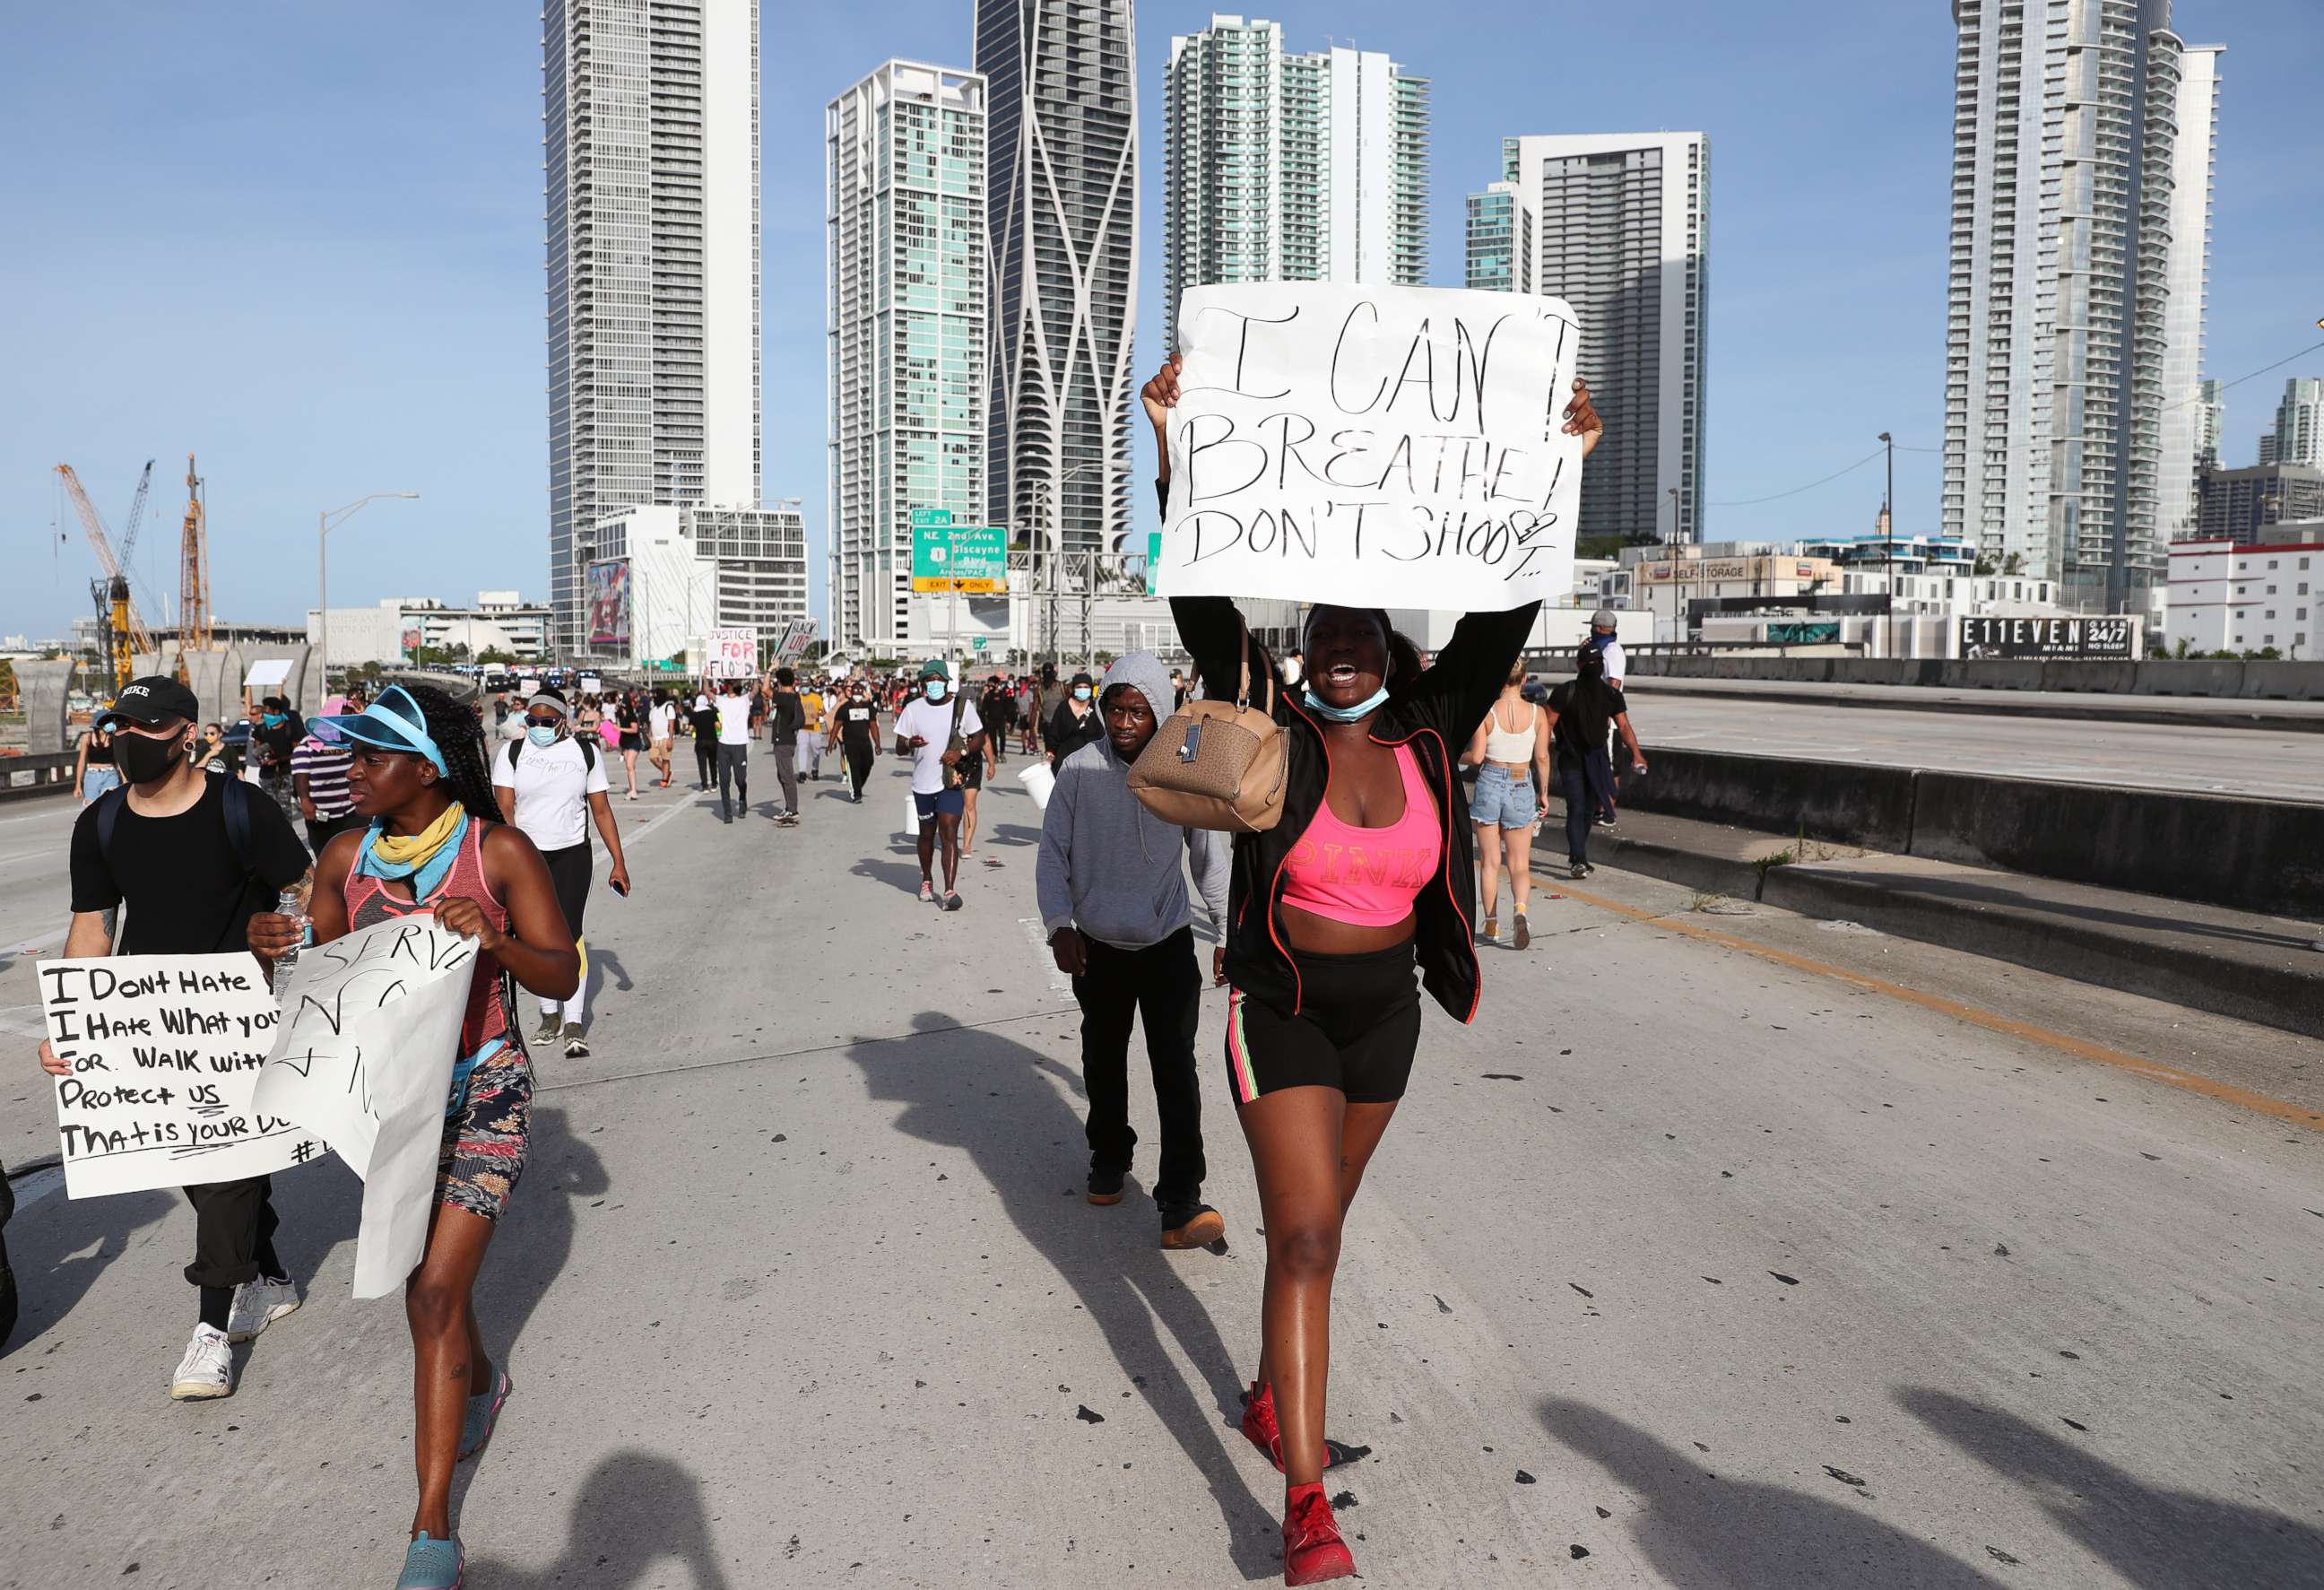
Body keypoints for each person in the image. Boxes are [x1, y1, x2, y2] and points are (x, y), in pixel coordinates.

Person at [1143, 351, 1600, 1584]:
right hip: (1281, 1009)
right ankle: (1304, 1509)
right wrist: (1178, 449)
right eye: (1325, 636)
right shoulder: (1268, 721)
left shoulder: (1428, 728)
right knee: (1301, 1239)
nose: (1341, 651)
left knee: (1321, 1230)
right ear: (1307, 650)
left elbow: (1506, 609)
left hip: (1385, 1018)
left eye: (1361, 636)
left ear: (1392, 650)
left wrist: (1558, 466)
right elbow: (1202, 601)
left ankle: (1263, 1393)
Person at [247, 684, 579, 1590]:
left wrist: (498, 942)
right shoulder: (345, 858)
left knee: (431, 1291)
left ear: (424, 768)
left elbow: (561, 972)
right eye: (348, 756)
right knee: (434, 1277)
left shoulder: (495, 851)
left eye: (369, 757)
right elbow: (318, 979)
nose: (349, 772)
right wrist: (269, 944)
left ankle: (431, 1526)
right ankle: (477, 1384)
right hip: (393, 1106)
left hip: (486, 1094)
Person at [37, 676, 314, 1402]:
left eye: (146, 727)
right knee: (200, 1169)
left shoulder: (239, 807)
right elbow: (93, 926)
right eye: (119, 725)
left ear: (187, 734)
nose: (128, 740)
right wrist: (68, 1024)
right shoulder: (99, 825)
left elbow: (304, 882)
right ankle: (272, 1277)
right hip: (149, 1026)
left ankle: (211, 1329)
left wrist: (285, 939)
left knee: (225, 1169)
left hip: (237, 1018)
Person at [1036, 652, 1231, 1250]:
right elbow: (1052, 854)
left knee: (1176, 1068)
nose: (1124, 721)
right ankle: (1109, 1155)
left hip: (1167, 943)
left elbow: (1208, 855)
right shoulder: (1078, 769)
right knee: (1103, 1057)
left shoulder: (1180, 770)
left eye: (1139, 711)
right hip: (1097, 946)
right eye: (1117, 708)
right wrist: (1059, 924)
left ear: (1160, 714)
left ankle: (1180, 1199)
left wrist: (1225, 931)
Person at [492, 689, 631, 1056]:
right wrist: (512, 856)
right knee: (534, 936)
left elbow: (600, 810)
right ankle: (548, 1014)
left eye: (546, 722)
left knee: (570, 935)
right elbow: (504, 809)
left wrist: (619, 861)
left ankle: (573, 1020)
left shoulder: (585, 753)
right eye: (531, 722)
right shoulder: (512, 753)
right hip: (527, 858)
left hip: (572, 854)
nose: (537, 728)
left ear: (563, 721)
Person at [1464, 665, 1552, 950]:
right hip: (1521, 782)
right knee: (1519, 864)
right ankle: (1520, 911)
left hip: (1490, 780)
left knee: (1490, 862)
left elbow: (1477, 756)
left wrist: (1456, 755)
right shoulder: (1538, 714)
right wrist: (1544, 793)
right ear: (1524, 680)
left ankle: (1491, 924)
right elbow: (1541, 757)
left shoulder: (1486, 712)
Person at [1546, 645, 1647, 880]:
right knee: (1578, 807)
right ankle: (1579, 859)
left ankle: (1577, 855)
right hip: (1575, 760)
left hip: (1593, 761)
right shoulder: (1572, 692)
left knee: (1588, 810)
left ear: (1580, 665)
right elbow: (1547, 722)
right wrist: (1539, 752)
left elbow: (1623, 726)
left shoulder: (1605, 694)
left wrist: (1637, 753)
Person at [894, 660, 984, 909]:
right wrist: (910, 743)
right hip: (922, 783)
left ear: (946, 682)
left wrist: (961, 752)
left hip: (950, 781)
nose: (933, 684)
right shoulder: (913, 709)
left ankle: (949, 891)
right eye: (929, 680)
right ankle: (926, 879)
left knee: (948, 832)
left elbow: (979, 737)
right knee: (926, 834)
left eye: (937, 679)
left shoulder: (961, 707)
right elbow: (900, 747)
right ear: (923, 683)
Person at [292, 695, 364, 856]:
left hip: (352, 812)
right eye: (343, 718)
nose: (346, 724)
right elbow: (301, 776)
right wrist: (305, 801)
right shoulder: (307, 747)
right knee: (326, 856)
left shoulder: (352, 744)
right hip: (322, 815)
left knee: (354, 856)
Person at [767, 667, 804, 827]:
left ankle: (793, 810)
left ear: (780, 682)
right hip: (788, 740)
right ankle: (789, 807)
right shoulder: (794, 696)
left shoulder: (783, 698)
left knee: (787, 776)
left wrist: (769, 672)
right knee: (783, 775)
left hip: (783, 742)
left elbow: (764, 690)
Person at [713, 679, 754, 823]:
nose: (731, 685)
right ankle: (727, 813)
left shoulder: (744, 700)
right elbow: (707, 692)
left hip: (740, 744)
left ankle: (742, 797)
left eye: (733, 683)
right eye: (730, 683)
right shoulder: (721, 700)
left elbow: (755, 691)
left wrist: (755, 675)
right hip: (724, 744)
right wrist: (705, 677)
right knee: (724, 780)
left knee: (740, 779)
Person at [831, 680, 879, 802]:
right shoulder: (844, 708)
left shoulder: (868, 708)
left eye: (859, 691)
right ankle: (856, 794)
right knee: (853, 767)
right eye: (855, 691)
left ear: (863, 693)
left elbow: (873, 726)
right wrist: (831, 743)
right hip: (850, 743)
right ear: (851, 693)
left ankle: (858, 785)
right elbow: (836, 726)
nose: (857, 693)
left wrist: (877, 744)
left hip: (865, 742)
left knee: (868, 764)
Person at [1045, 672, 1104, 767]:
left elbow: (1102, 735)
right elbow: (1054, 733)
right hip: (1065, 761)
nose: (1083, 690)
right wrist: (1050, 751)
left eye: (1086, 687)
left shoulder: (1096, 708)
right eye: (1079, 687)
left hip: (1090, 762)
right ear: (1073, 689)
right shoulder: (1063, 707)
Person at [74, 720, 117, 804]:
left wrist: (125, 782)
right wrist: (78, 785)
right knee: (91, 807)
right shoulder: (87, 737)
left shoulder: (113, 737)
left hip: (110, 775)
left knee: (110, 805)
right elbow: (81, 761)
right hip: (92, 776)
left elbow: (119, 761)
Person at [1585, 608, 1626, 690]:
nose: (1591, 630)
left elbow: (1614, 686)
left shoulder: (1612, 651)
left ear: (1599, 628)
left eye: (1593, 627)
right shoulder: (1601, 649)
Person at [978, 673, 1013, 770]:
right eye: (989, 683)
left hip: (1001, 720)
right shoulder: (988, 695)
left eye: (992, 683)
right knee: (992, 738)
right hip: (991, 720)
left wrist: (1009, 721)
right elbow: (983, 710)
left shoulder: (1003, 695)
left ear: (997, 684)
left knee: (1002, 736)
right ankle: (995, 755)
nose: (991, 685)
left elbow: (1008, 708)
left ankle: (1002, 753)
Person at [613, 692, 644, 800]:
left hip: (634, 742)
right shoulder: (621, 715)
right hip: (624, 742)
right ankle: (631, 789)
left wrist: (620, 729)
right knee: (629, 767)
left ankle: (634, 790)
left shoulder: (631, 716)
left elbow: (634, 729)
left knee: (630, 765)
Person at [689, 689, 720, 792]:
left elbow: (690, 729)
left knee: (702, 765)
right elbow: (718, 726)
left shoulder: (694, 714)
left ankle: (705, 786)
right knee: (713, 763)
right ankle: (714, 784)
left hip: (700, 741)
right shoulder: (712, 713)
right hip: (712, 741)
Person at [799, 677, 828, 781]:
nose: (804, 688)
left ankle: (815, 769)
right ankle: (802, 772)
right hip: (802, 728)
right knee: (802, 750)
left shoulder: (816, 698)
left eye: (806, 686)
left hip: (815, 728)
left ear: (810, 687)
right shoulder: (798, 697)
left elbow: (824, 712)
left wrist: (818, 714)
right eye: (803, 686)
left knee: (816, 751)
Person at [647, 689, 677, 789]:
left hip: (665, 737)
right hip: (654, 738)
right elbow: (651, 724)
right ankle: (667, 772)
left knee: (665, 759)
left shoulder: (668, 707)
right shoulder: (653, 709)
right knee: (653, 758)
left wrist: (670, 739)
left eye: (656, 695)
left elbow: (671, 725)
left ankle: (664, 779)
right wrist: (649, 736)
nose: (654, 697)